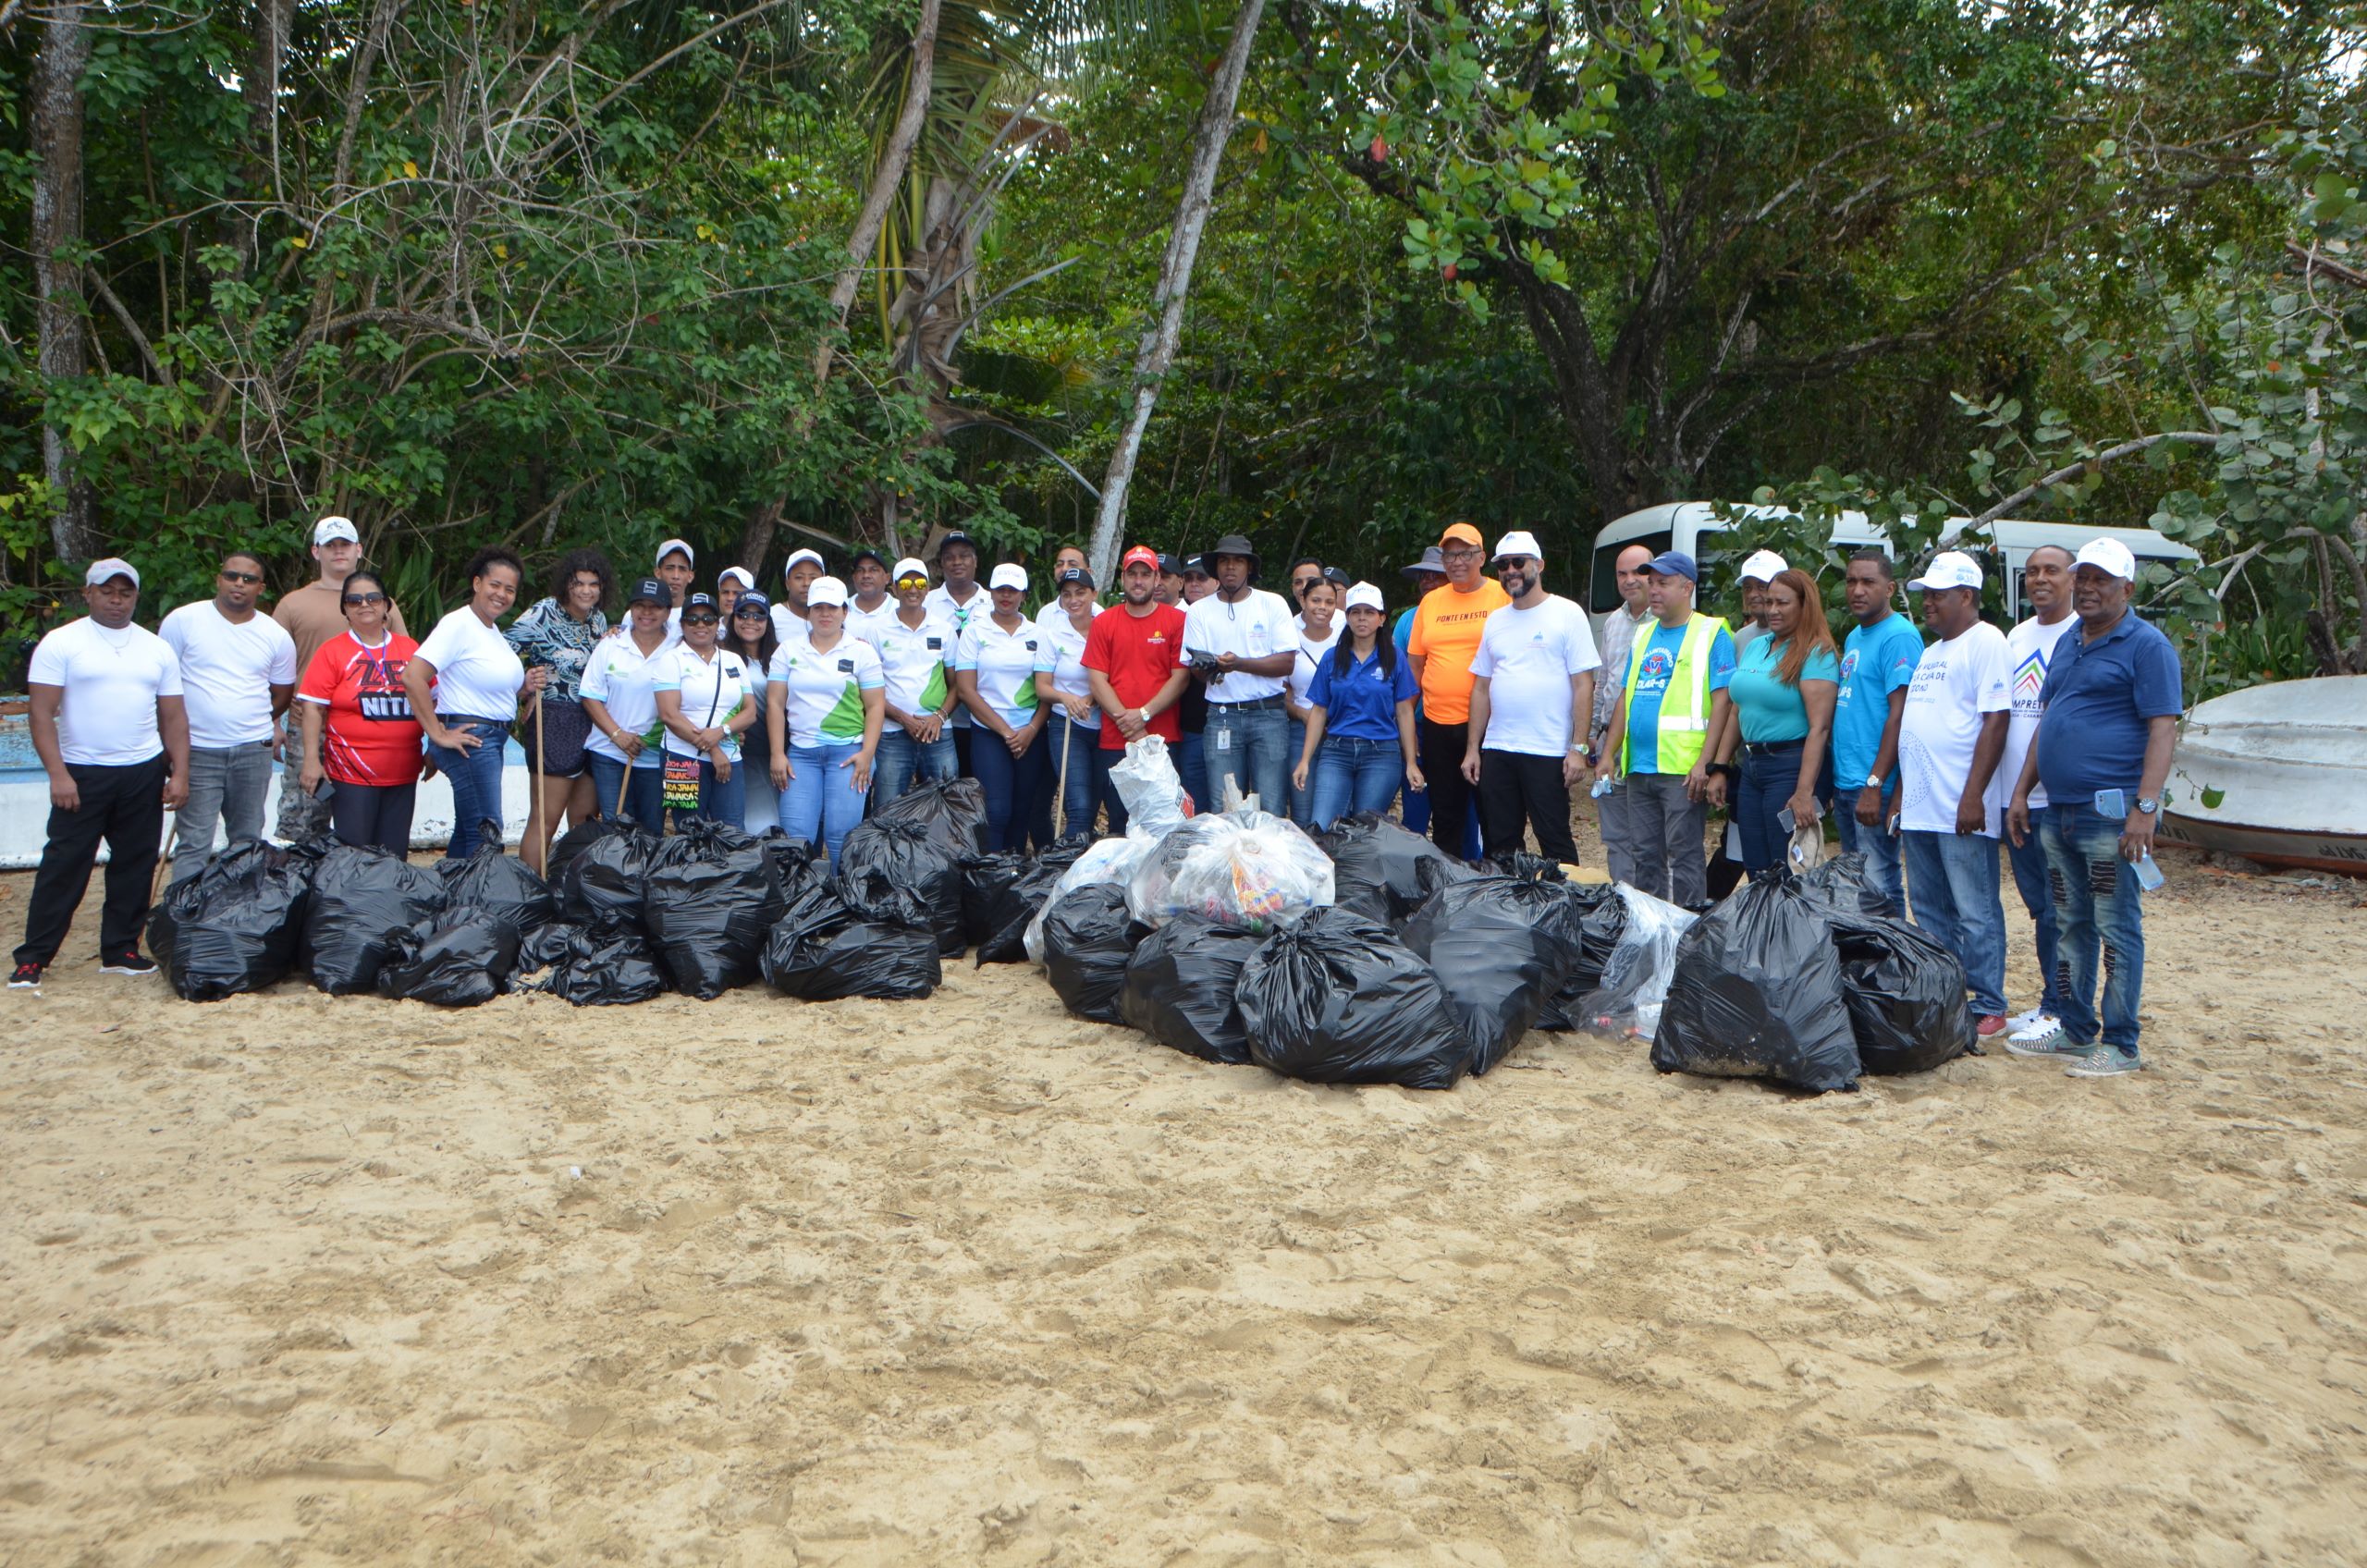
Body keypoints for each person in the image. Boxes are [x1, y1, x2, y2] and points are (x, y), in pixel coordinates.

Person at [2005, 538, 2182, 1077]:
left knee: (2115, 925)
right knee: (2069, 922)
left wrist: (2144, 809)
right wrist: (2021, 791)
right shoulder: (2069, 640)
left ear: (2127, 588)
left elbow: (2163, 729)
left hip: (2111, 813)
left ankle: (2122, 1043)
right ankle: (2077, 1030)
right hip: (2060, 810)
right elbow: (2049, 719)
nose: (2088, 588)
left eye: (2101, 579)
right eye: (2083, 577)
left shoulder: (2147, 646)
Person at [12, 559, 189, 988]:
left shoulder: (155, 648)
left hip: (142, 770)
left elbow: (173, 716)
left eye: (125, 593)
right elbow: (41, 713)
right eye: (106, 591)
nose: (116, 600)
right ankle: (34, 957)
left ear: (136, 597)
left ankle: (121, 949)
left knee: (135, 863)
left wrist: (179, 772)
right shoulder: (62, 642)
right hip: (82, 771)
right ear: (87, 593)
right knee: (64, 865)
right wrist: (58, 775)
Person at [1897, 549, 2013, 1037]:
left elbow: (1996, 720)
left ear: (1966, 596)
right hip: (1921, 807)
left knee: (1974, 909)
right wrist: (1901, 796)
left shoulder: (1986, 641)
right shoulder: (1931, 651)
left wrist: (1974, 795)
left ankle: (1989, 1003)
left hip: (1960, 806)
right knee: (1928, 909)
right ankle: (1947, 995)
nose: (1928, 602)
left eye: (1937, 595)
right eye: (1925, 594)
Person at [1594, 552, 1735, 906]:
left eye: (1663, 583)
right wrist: (1608, 753)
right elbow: (1625, 696)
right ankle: (1652, 927)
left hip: (1682, 769)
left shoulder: (1711, 632)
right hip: (1639, 765)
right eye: (1652, 582)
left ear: (1687, 587)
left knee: (1684, 855)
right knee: (1644, 856)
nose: (1653, 590)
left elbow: (1723, 701)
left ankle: (1687, 927)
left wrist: (1706, 763)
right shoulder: (1643, 634)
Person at [159, 551, 297, 883]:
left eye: (249, 579)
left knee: (247, 841)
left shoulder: (275, 634)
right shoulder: (183, 621)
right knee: (194, 842)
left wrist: (250, 720)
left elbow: (282, 693)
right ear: (218, 580)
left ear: (260, 588)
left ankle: (239, 910)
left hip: (253, 751)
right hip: (197, 750)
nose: (239, 583)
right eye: (232, 576)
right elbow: (161, 685)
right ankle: (185, 910)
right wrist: (169, 747)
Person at [1460, 533, 1598, 863]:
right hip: (1498, 748)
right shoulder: (1496, 620)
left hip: (1547, 750)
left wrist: (1578, 748)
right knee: (1501, 843)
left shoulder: (1567, 613)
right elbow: (1481, 687)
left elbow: (1583, 685)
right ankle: (1510, 896)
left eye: (1519, 562)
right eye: (1503, 565)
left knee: (1554, 841)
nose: (1511, 570)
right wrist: (1473, 749)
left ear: (1539, 565)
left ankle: (1567, 896)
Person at [403, 546, 545, 859]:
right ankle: (476, 890)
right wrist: (437, 733)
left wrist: (524, 687)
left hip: (490, 739)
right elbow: (413, 677)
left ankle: (452, 888)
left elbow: (486, 689)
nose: (502, 594)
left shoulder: (492, 632)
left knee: (470, 830)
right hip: (472, 739)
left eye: (510, 589)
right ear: (477, 583)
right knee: (486, 831)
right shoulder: (459, 624)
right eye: (495, 584)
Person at [273, 516, 408, 837]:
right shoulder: (292, 604)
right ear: (315, 551)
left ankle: (358, 866)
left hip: (368, 730)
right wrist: (273, 722)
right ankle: (306, 867)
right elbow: (271, 668)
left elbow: (407, 666)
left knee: (361, 821)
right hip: (309, 727)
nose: (338, 551)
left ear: (358, 549)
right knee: (306, 814)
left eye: (345, 544)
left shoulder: (384, 605)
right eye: (330, 545)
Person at [1710, 567, 1838, 877]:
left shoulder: (1816, 652)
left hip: (1790, 764)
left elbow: (1820, 728)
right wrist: (1720, 767)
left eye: (1783, 603)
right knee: (1755, 865)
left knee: (1788, 865)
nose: (1773, 610)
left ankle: (1789, 914)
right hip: (1753, 765)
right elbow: (1738, 710)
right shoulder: (1757, 645)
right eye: (1769, 602)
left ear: (1804, 605)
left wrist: (1804, 791)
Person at [1998, 545, 2077, 1047]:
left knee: (2061, 910)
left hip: (2054, 800)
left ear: (2073, 579)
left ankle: (2063, 1009)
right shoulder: (2018, 635)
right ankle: (2051, 1001)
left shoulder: (2081, 635)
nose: (2040, 579)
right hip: (2014, 799)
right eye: (2031, 572)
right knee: (2039, 908)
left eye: (2051, 570)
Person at [296, 570, 427, 856]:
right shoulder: (332, 651)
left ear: (386, 605)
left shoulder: (410, 649)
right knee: (355, 856)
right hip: (351, 774)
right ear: (344, 609)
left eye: (372, 598)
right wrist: (311, 761)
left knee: (394, 857)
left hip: (403, 771)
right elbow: (313, 707)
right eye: (354, 600)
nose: (364, 604)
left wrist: (436, 748)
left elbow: (434, 700)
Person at [505, 546, 612, 873]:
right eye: (578, 583)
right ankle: (530, 890)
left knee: (583, 819)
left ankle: (572, 888)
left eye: (593, 584)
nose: (586, 591)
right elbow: (502, 651)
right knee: (545, 819)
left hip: (592, 720)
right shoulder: (544, 612)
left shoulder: (598, 619)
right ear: (566, 583)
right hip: (554, 718)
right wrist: (525, 683)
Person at [1407, 522, 1510, 857]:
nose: (1457, 562)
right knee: (1445, 814)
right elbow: (1415, 667)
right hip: (1437, 723)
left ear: (1482, 557)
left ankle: (1497, 878)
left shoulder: (1502, 595)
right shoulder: (1431, 602)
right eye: (1450, 555)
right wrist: (1406, 722)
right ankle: (1448, 881)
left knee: (1493, 813)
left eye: (1465, 554)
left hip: (1490, 724)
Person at [1829, 549, 1922, 913]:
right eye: (1851, 581)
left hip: (1873, 784)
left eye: (1868, 582)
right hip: (1847, 781)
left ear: (1890, 588)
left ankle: (1893, 948)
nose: (1857, 590)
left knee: (1880, 884)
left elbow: (1901, 714)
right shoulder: (1856, 635)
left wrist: (1875, 783)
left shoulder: (1898, 636)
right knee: (1857, 887)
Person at [769, 576, 886, 868]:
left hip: (848, 754)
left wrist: (867, 754)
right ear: (808, 612)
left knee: (840, 837)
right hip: (800, 755)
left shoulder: (861, 651)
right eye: (818, 607)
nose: (825, 614)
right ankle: (799, 894)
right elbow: (775, 704)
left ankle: (840, 895)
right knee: (796, 838)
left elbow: (875, 706)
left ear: (845, 612)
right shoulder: (788, 650)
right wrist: (777, 753)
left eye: (832, 608)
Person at [1182, 534, 1298, 813]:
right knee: (1225, 806)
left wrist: (1239, 664)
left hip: (1268, 713)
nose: (1230, 567)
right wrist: (1209, 666)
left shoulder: (1272, 603)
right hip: (1222, 714)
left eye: (1238, 561)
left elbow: (1286, 663)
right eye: (1224, 560)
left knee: (1270, 806)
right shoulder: (1199, 611)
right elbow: (1196, 670)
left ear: (1250, 567)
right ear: (1216, 567)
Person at [1294, 582, 1422, 830]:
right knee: (1321, 826)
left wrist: (1411, 762)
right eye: (1356, 612)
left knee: (1365, 830)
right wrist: (1305, 760)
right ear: (1347, 617)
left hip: (1381, 752)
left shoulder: (1394, 657)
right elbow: (1319, 711)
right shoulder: (1332, 657)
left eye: (1369, 612)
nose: (1362, 618)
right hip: (1337, 751)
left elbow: (1404, 711)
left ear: (1381, 619)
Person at [1084, 545, 1192, 837]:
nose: (1139, 580)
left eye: (1146, 574)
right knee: (1120, 825)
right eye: (1132, 574)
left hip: (1162, 740)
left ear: (1157, 579)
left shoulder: (1177, 621)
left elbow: (1180, 677)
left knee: (1165, 825)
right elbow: (1096, 679)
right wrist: (1129, 723)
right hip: (1115, 740)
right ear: (1123, 578)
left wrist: (1143, 714)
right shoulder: (1104, 622)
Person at [954, 564, 1050, 850]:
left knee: (1022, 809)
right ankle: (993, 869)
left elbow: (1046, 689)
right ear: (991, 593)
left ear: (1024, 595)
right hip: (989, 732)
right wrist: (1006, 732)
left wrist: (1030, 729)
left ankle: (1015, 869)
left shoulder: (1039, 634)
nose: (1006, 596)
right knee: (996, 810)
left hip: (1030, 733)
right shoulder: (974, 632)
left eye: (1013, 591)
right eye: (1000, 590)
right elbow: (966, 690)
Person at [655, 592, 760, 827]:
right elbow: (669, 715)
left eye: (708, 619)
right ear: (682, 624)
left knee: (732, 830)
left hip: (730, 756)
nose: (700, 625)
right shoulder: (671, 660)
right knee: (689, 831)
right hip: (681, 758)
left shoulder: (733, 660)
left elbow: (750, 711)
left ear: (717, 624)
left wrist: (721, 732)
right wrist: (713, 749)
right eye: (692, 619)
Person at [580, 578, 676, 832]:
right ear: (630, 609)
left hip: (656, 756)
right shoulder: (611, 644)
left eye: (655, 607)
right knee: (616, 832)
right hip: (610, 753)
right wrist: (617, 734)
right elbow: (590, 696)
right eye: (640, 605)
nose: (646, 612)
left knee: (652, 831)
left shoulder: (678, 649)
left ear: (668, 612)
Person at [865, 558, 961, 804]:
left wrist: (939, 717)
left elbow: (956, 685)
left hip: (937, 731)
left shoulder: (944, 629)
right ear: (894, 588)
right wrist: (903, 718)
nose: (913, 589)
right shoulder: (877, 630)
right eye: (906, 584)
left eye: (919, 583)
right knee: (888, 807)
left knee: (946, 804)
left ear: (928, 588)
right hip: (891, 732)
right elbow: (869, 690)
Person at [1591, 543, 1654, 886]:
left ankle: (1650, 903)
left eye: (1639, 572)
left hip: (1647, 741)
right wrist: (1592, 734)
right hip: (1609, 743)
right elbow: (1604, 680)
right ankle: (1623, 900)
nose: (1630, 580)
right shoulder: (1614, 621)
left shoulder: (1666, 620)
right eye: (1622, 573)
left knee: (1648, 836)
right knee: (1615, 835)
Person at [1036, 568, 1111, 837]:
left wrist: (1093, 698)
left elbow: (1118, 675)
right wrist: (1066, 698)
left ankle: (1087, 858)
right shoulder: (1052, 634)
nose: (1073, 600)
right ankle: (1069, 861)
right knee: (1079, 807)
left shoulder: (1108, 627)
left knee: (1096, 806)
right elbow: (1042, 686)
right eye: (1066, 595)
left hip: (1107, 725)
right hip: (1067, 725)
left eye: (1080, 593)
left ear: (1094, 594)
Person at [1394, 544, 1449, 839]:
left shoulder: (1468, 616)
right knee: (1415, 806)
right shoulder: (1407, 620)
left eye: (1436, 575)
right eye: (1424, 576)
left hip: (1455, 724)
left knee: (1455, 808)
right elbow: (1398, 674)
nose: (1428, 581)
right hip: (1414, 722)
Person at [925, 532, 988, 774]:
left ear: (975, 561)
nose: (957, 562)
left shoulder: (993, 602)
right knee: (940, 784)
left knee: (979, 781)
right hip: (939, 717)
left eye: (964, 556)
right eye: (949, 557)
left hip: (985, 715)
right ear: (941, 563)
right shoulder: (926, 602)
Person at [721, 591, 783, 832]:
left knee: (772, 825)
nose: (750, 621)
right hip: (732, 751)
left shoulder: (781, 656)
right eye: (743, 614)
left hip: (774, 753)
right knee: (739, 826)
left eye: (759, 616)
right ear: (733, 618)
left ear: (768, 622)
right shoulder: (718, 654)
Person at [1283, 579, 1343, 826]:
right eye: (1316, 600)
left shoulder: (1345, 639)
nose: (1322, 607)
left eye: (1329, 602)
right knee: (1302, 808)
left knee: (1335, 812)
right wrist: (1301, 713)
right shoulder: (1289, 639)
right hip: (1300, 729)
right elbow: (1280, 691)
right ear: (1303, 601)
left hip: (1339, 730)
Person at [1171, 555, 1215, 803]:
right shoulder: (1175, 619)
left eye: (1202, 577)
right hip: (1188, 726)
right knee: (1191, 795)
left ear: (1216, 581)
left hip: (1225, 722)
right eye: (1189, 578)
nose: (1194, 583)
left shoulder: (1228, 616)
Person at [1732, 550, 1786, 655]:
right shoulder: (1740, 638)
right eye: (1747, 588)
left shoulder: (1799, 636)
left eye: (1761, 587)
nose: (1752, 594)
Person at [771, 547, 824, 647]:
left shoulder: (834, 618)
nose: (806, 583)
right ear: (787, 583)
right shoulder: (772, 616)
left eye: (813, 578)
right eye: (799, 577)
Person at [844, 549, 897, 643]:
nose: (866, 575)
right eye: (860, 570)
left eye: (874, 570)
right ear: (854, 577)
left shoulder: (899, 610)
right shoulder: (839, 608)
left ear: (887, 578)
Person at [654, 538, 696, 644]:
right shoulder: (639, 615)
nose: (676, 576)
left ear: (690, 576)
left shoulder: (698, 617)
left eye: (682, 569)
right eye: (669, 568)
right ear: (658, 573)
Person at [1287, 557, 1328, 622]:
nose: (1304, 587)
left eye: (1311, 580)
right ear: (1293, 588)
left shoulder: (1341, 620)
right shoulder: (1287, 622)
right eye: (1298, 582)